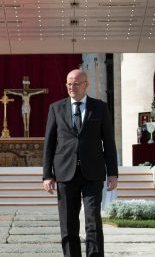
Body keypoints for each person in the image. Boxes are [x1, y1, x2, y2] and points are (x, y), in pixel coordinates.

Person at [43, 69, 118, 257]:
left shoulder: (100, 108)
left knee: (93, 221)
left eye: (76, 83)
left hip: (92, 173)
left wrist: (113, 173)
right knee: (68, 224)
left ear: (86, 84)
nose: (71, 87)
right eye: (68, 83)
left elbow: (108, 142)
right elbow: (49, 144)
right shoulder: (56, 108)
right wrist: (47, 174)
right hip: (65, 173)